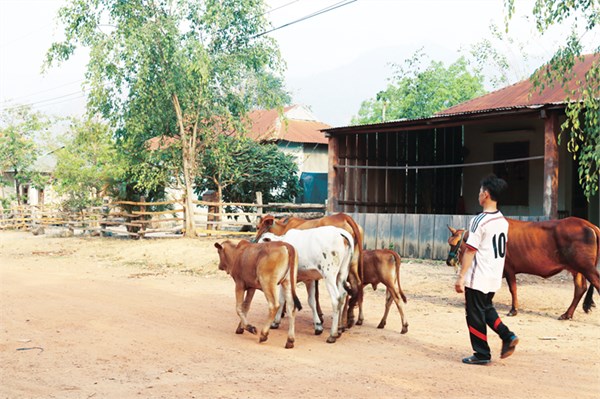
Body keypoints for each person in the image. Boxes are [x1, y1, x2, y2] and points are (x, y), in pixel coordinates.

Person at [454, 174, 519, 365]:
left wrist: (461, 276)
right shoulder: (502, 221)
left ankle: (481, 353)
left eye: (480, 191)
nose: (479, 195)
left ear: (486, 195)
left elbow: (470, 251)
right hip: (493, 276)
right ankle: (507, 336)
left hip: (478, 275)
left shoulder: (479, 221)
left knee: (474, 315)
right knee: (486, 309)